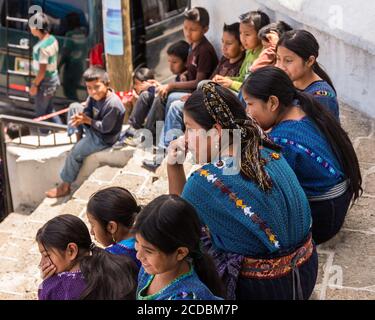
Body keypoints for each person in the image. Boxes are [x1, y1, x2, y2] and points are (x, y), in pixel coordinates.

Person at [167, 82, 318, 300]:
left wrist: (173, 165)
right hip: (306, 271)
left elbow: (175, 222)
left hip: (265, 289)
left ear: (217, 131)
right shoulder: (266, 149)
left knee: (178, 252)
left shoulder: (204, 181)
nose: (185, 138)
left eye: (190, 129)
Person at [242, 66, 362, 244]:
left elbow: (270, 191)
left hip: (323, 218)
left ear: (273, 103)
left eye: (250, 104)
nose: (247, 111)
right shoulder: (304, 110)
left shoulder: (282, 141)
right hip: (336, 205)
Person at [142, 7, 218, 170]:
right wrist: (184, 73)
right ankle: (160, 141)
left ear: (205, 29)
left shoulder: (204, 50)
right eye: (185, 28)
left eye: (193, 30)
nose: (188, 33)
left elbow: (200, 81)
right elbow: (192, 71)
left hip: (198, 94)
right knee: (163, 96)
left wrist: (172, 85)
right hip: (192, 90)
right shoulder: (193, 46)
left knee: (170, 99)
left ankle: (166, 150)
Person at [45, 67, 125, 198]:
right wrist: (82, 117)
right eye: (89, 87)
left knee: (74, 153)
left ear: (107, 84)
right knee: (74, 107)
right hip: (93, 128)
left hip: (104, 138)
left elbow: (106, 128)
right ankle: (78, 140)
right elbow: (87, 109)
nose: (93, 91)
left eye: (97, 87)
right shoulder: (93, 96)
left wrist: (87, 120)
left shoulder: (113, 104)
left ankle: (65, 186)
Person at [134, 195, 224, 300]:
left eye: (148, 251)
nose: (138, 255)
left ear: (180, 253)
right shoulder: (151, 268)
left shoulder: (187, 297)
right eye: (136, 242)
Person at [37, 214, 138, 300]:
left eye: (46, 255)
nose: (41, 263)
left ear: (71, 250)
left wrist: (46, 283)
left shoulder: (55, 289)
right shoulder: (119, 262)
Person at [116, 40, 190, 148]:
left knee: (154, 95)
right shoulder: (179, 76)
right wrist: (158, 86)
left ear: (185, 62)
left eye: (174, 62)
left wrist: (154, 88)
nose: (171, 66)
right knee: (146, 95)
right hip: (164, 107)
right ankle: (132, 129)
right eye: (169, 62)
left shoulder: (186, 77)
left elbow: (171, 95)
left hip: (170, 112)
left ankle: (146, 135)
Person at [276, 30, 340, 120]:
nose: (280, 66)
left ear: (309, 61)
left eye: (288, 60)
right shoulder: (286, 84)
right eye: (278, 58)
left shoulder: (321, 97)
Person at [213, 10, 270, 93]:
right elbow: (242, 78)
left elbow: (254, 88)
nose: (242, 38)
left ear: (260, 34)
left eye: (247, 34)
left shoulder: (262, 57)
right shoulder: (249, 52)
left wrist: (231, 83)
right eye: (240, 33)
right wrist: (226, 79)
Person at [86, 187, 141, 268]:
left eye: (93, 225)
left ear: (111, 227)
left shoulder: (110, 258)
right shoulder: (143, 235)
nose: (91, 232)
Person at [30, 13, 61, 125]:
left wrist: (34, 85)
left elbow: (42, 72)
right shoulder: (52, 39)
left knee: (41, 115)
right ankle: (62, 132)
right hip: (53, 80)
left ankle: (43, 134)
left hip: (45, 83)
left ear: (37, 28)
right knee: (49, 110)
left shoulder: (42, 48)